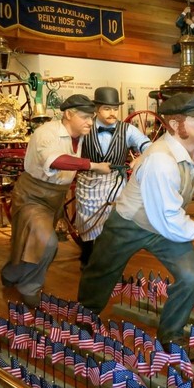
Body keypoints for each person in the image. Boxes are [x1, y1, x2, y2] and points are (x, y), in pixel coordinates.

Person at [78, 93, 194, 348]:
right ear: (175, 124)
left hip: (166, 222)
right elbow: (170, 218)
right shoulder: (160, 159)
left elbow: (171, 211)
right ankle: (83, 318)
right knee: (101, 271)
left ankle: (170, 334)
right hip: (131, 221)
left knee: (190, 277)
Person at [1, 94, 112, 308]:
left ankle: (10, 273)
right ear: (68, 114)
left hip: (55, 196)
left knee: (31, 242)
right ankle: (29, 287)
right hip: (33, 195)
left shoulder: (81, 135)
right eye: (85, 117)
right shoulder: (47, 133)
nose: (90, 122)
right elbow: (56, 160)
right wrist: (94, 165)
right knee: (46, 242)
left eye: (92, 117)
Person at [75, 87, 153, 268]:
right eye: (106, 109)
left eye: (115, 109)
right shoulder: (85, 128)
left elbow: (149, 147)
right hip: (88, 182)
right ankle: (87, 258)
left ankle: (112, 260)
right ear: (96, 109)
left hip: (115, 183)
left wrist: (139, 159)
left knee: (114, 222)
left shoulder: (127, 130)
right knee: (88, 219)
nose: (112, 113)